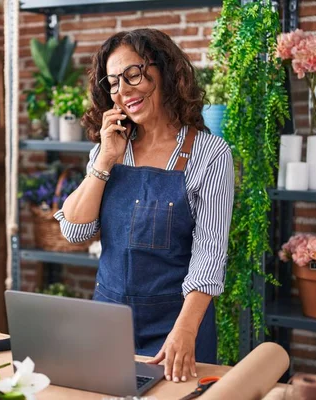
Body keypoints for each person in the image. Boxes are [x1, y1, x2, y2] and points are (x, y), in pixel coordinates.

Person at [53, 29, 234, 384]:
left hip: (175, 328)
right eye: (114, 82)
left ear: (164, 70)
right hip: (108, 325)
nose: (124, 89)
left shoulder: (210, 154)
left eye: (133, 74)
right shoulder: (110, 148)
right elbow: (74, 230)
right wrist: (104, 160)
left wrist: (185, 331)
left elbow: (210, 255)